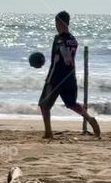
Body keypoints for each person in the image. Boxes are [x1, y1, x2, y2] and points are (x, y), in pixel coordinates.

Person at [38, 10, 100, 139]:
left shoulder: (58, 39)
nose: (55, 25)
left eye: (56, 23)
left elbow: (65, 56)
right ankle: (89, 119)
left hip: (56, 78)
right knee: (71, 103)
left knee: (44, 105)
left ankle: (48, 132)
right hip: (70, 77)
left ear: (61, 23)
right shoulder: (73, 40)